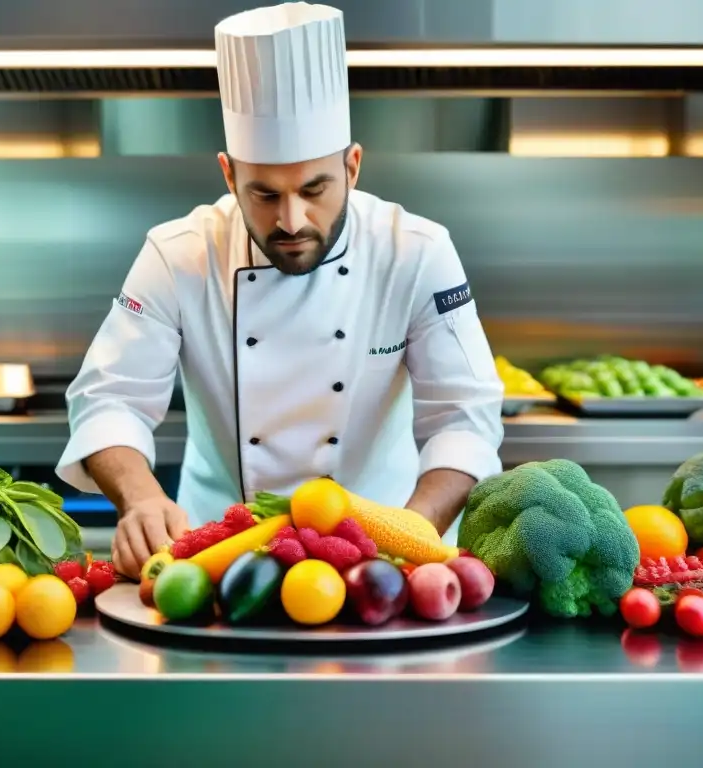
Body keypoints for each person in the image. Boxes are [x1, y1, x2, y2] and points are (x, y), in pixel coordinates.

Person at [56, 2, 505, 580]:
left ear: (354, 167)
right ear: (228, 174)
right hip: (214, 559)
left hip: (383, 563)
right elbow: (109, 398)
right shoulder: (178, 254)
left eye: (314, 188)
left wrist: (412, 533)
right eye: (264, 194)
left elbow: (463, 416)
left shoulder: (416, 251)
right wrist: (141, 499)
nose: (291, 220)